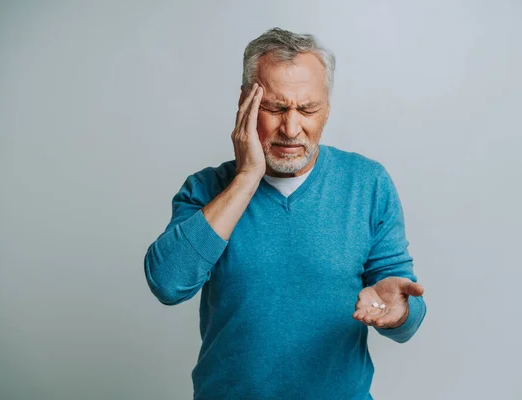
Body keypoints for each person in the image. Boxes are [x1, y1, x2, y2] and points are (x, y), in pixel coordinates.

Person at [144, 27, 427, 400]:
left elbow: (406, 310)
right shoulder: (206, 189)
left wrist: (400, 312)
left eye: (307, 109)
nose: (291, 128)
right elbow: (167, 283)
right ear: (246, 104)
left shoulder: (367, 183)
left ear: (326, 108)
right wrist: (247, 177)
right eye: (275, 108)